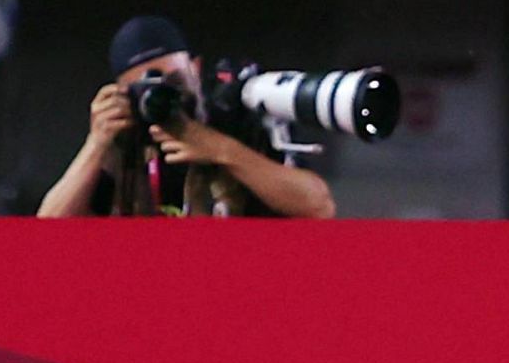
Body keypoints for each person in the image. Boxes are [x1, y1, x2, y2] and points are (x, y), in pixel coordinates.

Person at [37, 15, 335, 218]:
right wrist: (96, 144)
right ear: (122, 92)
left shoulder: (235, 117)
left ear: (195, 67)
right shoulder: (125, 141)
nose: (163, 96)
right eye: (146, 89)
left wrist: (222, 150)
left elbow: (318, 206)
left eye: (173, 81)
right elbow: (46, 230)